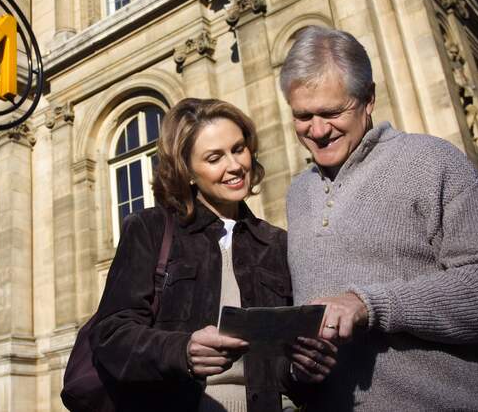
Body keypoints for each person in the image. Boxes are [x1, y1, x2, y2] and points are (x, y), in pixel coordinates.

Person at [279, 26, 478, 411]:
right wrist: (301, 368)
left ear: (368, 100)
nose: (317, 131)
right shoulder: (298, 193)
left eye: (331, 112)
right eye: (303, 116)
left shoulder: (432, 161)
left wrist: (370, 305)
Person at [89, 98, 336, 412]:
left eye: (238, 149)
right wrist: (183, 350)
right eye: (214, 158)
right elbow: (110, 337)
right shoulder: (150, 229)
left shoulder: (276, 243)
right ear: (187, 171)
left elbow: (283, 365)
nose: (234, 166)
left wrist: (303, 369)